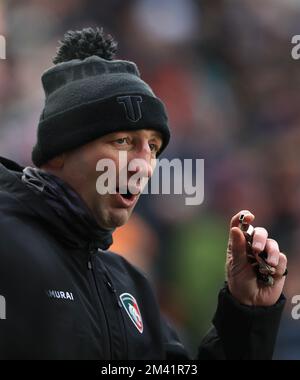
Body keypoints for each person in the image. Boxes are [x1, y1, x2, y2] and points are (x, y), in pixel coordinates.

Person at [0, 27, 287, 360]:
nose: (144, 166)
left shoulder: (131, 286)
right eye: (122, 142)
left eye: (152, 147)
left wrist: (245, 316)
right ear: (59, 152)